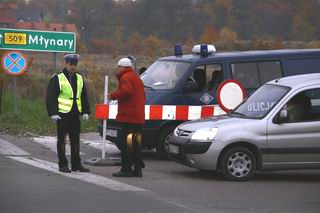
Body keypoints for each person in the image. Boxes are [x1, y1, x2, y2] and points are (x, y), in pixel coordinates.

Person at [46, 54, 91, 173]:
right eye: (71, 64)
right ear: (66, 64)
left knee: (75, 140)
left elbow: (84, 95)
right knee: (62, 140)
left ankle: (76, 164)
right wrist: (53, 113)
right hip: (62, 114)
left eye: (75, 65)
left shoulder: (79, 78)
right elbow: (51, 97)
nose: (73, 67)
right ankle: (63, 164)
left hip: (75, 114)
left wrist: (86, 111)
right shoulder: (57, 78)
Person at [108, 58, 146, 177]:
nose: (117, 69)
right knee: (137, 144)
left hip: (129, 119)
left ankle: (126, 169)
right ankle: (138, 168)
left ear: (122, 67)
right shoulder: (136, 77)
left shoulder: (125, 78)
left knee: (127, 144)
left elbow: (126, 91)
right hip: (138, 119)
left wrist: (113, 95)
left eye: (118, 67)